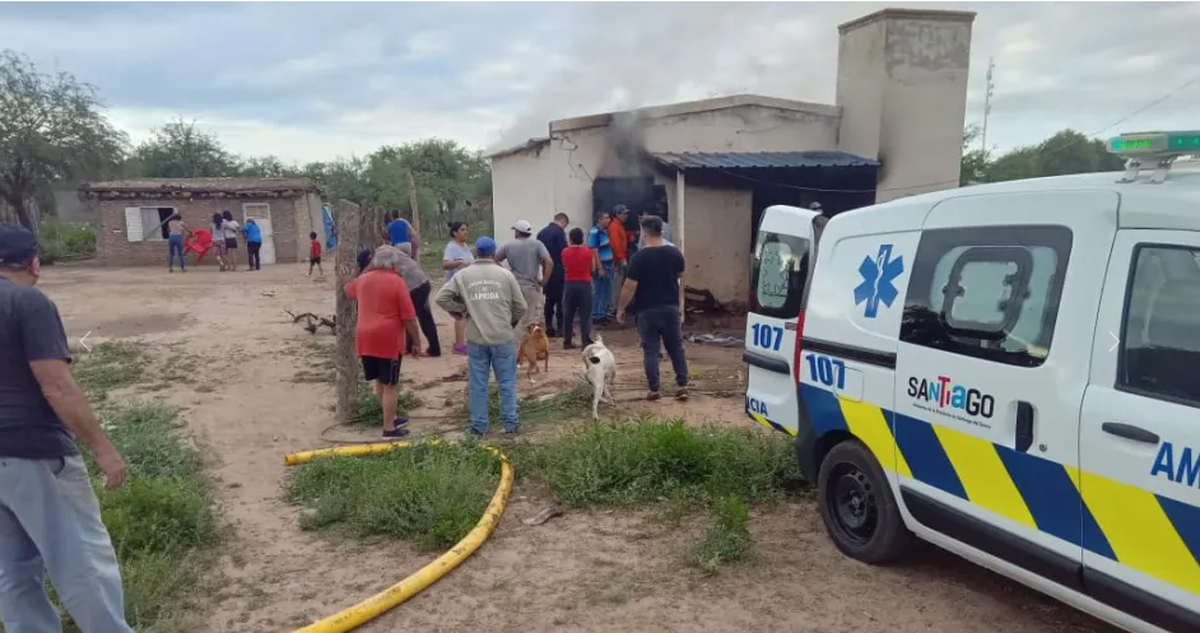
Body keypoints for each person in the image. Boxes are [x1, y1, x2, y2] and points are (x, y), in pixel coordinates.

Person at [0, 224, 136, 633]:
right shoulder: (27, 302)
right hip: (34, 452)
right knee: (81, 563)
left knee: (12, 571)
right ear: (34, 264)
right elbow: (56, 385)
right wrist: (103, 448)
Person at [435, 236, 527, 437]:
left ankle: (479, 427)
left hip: (476, 339)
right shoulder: (505, 275)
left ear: (476, 252)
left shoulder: (463, 275)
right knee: (507, 384)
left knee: (478, 385)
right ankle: (511, 425)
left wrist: (460, 310)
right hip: (502, 337)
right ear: (494, 253)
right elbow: (521, 306)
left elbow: (441, 298)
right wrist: (509, 323)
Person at [345, 245, 421, 438]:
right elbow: (409, 317)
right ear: (393, 263)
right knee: (390, 384)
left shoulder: (362, 280)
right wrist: (416, 341)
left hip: (365, 338)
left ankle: (391, 417)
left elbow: (348, 291)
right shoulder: (396, 282)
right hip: (388, 340)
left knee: (380, 381)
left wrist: (367, 269)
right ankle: (389, 427)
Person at [617, 215, 689, 402]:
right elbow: (681, 279)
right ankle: (682, 386)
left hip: (647, 310)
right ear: (661, 231)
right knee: (676, 348)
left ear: (644, 232)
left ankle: (654, 389)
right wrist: (681, 302)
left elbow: (629, 286)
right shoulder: (675, 253)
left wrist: (621, 308)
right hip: (671, 308)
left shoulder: (639, 257)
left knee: (651, 350)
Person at [497, 220, 552, 335]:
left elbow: (494, 259)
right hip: (532, 287)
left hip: (514, 287)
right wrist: (544, 281)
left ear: (517, 232)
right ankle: (529, 346)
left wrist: (505, 273)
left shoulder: (509, 245)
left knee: (516, 318)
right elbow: (549, 262)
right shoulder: (537, 244)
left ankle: (515, 345)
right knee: (532, 319)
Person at [395, 242, 441, 357]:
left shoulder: (385, 259)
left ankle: (433, 350)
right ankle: (410, 346)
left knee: (417, 318)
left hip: (416, 287)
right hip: (422, 283)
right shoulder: (395, 253)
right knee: (417, 316)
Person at [560, 227, 596, 349]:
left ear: (570, 239)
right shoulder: (588, 252)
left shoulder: (564, 252)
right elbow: (593, 268)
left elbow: (565, 266)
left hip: (570, 283)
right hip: (584, 283)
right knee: (585, 313)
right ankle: (585, 340)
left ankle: (567, 341)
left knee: (568, 313)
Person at [442, 221, 474, 356]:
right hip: (455, 285)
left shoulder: (464, 246)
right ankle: (459, 345)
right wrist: (459, 262)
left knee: (466, 314)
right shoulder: (452, 247)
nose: (465, 232)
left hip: (465, 285)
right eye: (462, 230)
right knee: (460, 315)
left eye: (466, 229)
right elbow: (445, 264)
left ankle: (464, 342)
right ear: (455, 233)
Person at [536, 213, 569, 337]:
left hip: (546, 270)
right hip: (558, 269)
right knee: (561, 299)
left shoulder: (541, 233)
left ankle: (549, 327)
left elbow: (539, 253)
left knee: (549, 299)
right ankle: (561, 328)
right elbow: (564, 252)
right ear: (562, 221)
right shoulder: (559, 233)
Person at [587, 212, 614, 324]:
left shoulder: (603, 232)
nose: (609, 220)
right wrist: (599, 267)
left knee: (606, 291)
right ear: (599, 219)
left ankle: (602, 313)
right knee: (599, 291)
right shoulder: (595, 232)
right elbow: (594, 250)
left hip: (607, 265)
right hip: (602, 265)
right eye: (606, 218)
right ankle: (596, 315)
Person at [608, 205, 630, 314]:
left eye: (626, 213)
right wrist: (622, 259)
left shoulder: (619, 226)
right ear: (617, 214)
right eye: (624, 213)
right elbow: (615, 245)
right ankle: (613, 308)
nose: (626, 215)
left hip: (619, 259)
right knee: (616, 284)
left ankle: (615, 307)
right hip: (617, 260)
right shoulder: (614, 227)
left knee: (619, 283)